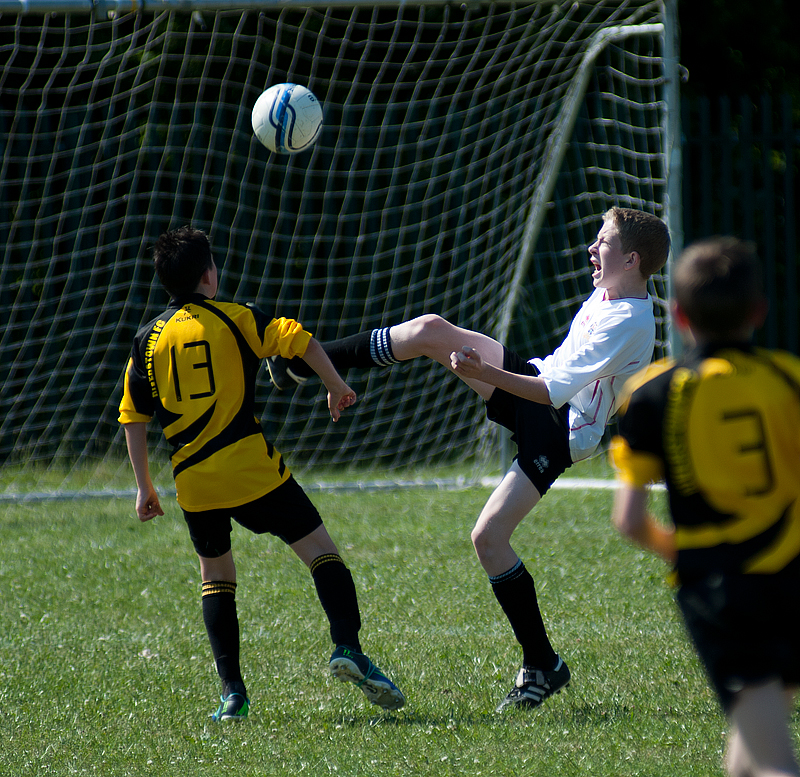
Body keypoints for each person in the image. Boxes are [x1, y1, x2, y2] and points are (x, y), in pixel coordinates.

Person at [268, 207, 670, 711]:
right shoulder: (613, 289)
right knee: (431, 330)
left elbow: (549, 393)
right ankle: (306, 360)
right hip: (537, 390)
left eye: (603, 242)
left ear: (631, 259)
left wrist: (483, 370)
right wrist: (485, 369)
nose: (592, 249)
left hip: (558, 430)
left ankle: (541, 663)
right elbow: (548, 376)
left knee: (488, 538)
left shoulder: (631, 320)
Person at [117, 226, 405, 721]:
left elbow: (132, 415)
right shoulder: (236, 317)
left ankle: (233, 696)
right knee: (322, 552)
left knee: (217, 578)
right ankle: (347, 648)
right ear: (209, 274)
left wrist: (145, 486)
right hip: (253, 471)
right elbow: (301, 341)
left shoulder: (147, 340)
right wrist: (334, 384)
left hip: (194, 483)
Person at [610, 236, 800, 777]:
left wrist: (689, 554)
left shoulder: (651, 393)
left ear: (680, 316)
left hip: (723, 589)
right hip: (792, 577)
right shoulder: (789, 378)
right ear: (759, 311)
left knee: (772, 760)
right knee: (755, 732)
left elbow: (628, 520)